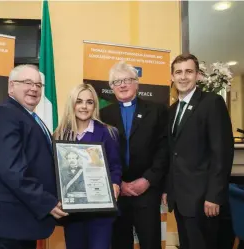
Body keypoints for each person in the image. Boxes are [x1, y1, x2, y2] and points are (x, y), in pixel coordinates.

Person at [0, 64, 68, 249]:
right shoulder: (4, 114)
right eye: (27, 82)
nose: (34, 88)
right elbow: (11, 169)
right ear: (11, 86)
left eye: (38, 85)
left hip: (20, 223)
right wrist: (46, 202)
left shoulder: (30, 117)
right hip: (4, 226)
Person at [162, 54, 234, 249]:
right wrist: (169, 188)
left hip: (204, 200)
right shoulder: (172, 110)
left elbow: (222, 153)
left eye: (188, 71)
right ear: (172, 77)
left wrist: (214, 195)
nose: (183, 77)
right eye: (178, 72)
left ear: (198, 76)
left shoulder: (212, 103)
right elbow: (173, 153)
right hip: (181, 200)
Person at [100, 61, 169, 249]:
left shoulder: (157, 111)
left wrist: (147, 180)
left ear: (137, 83)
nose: (122, 85)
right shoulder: (103, 115)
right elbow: (99, 154)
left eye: (127, 80)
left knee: (150, 243)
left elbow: (164, 149)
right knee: (119, 243)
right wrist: (117, 183)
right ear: (112, 88)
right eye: (116, 82)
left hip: (147, 190)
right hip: (117, 192)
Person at [53, 83, 122, 249]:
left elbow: (115, 166)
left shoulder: (108, 132)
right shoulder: (60, 134)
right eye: (79, 101)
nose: (84, 106)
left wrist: (115, 184)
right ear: (72, 104)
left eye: (89, 102)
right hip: (73, 213)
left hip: (100, 213)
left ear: (95, 106)